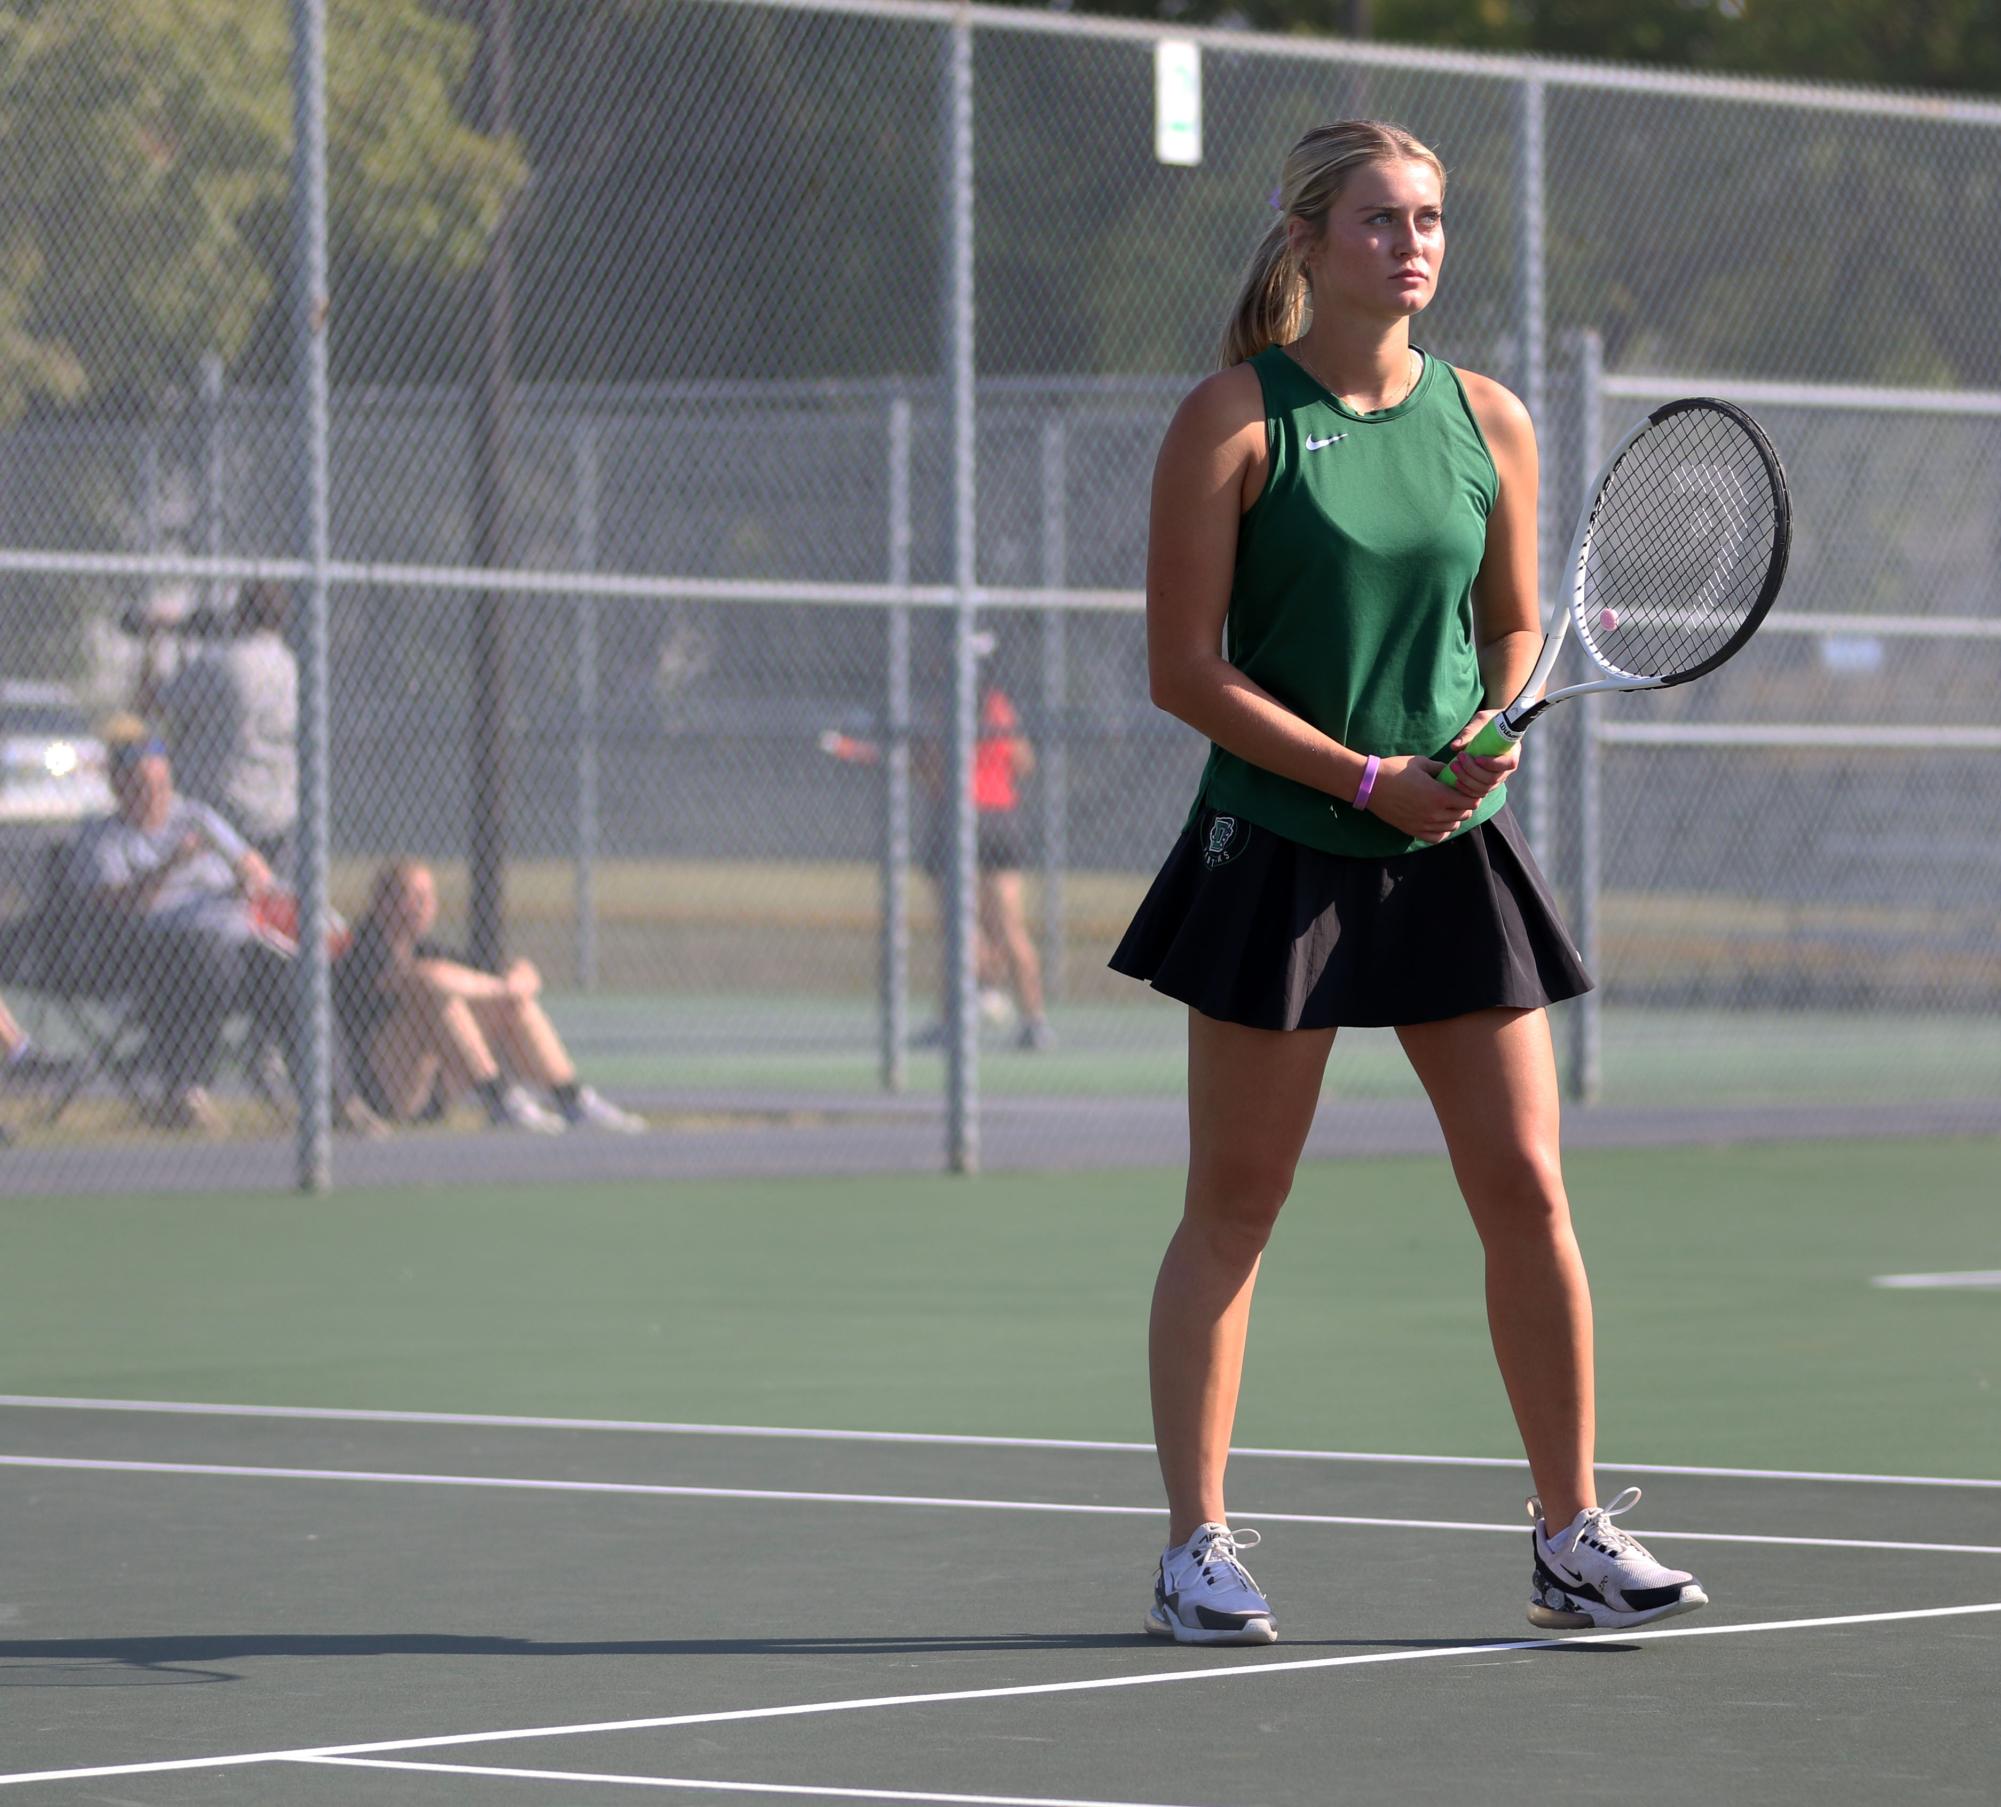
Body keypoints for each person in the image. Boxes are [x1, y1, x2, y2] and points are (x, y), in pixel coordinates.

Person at [1109, 121, 1706, 1645]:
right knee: (1237, 1200)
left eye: (1430, 219)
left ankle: (1569, 1530)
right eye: (1380, 220)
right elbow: (1185, 670)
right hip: (1281, 852)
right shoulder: (1234, 421)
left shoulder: (1486, 418)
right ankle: (1197, 1545)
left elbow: (1515, 625)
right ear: (1304, 241)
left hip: (1448, 846)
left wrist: (1482, 734)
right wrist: (1364, 776)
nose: (1413, 245)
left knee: (1525, 1182)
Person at [69, 724, 342, 1134]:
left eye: (162, 784)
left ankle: (334, 1100)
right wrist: (172, 864)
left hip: (234, 938)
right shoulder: (104, 835)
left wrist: (246, 879)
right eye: (143, 786)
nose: (157, 796)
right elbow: (116, 907)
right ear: (119, 787)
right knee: (209, 959)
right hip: (157, 949)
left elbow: (256, 869)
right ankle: (187, 1094)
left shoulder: (195, 816)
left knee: (291, 973)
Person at [332, 859, 645, 1135]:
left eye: (428, 897)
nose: (422, 906)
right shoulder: (362, 947)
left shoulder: (425, 946)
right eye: (411, 897)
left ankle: (572, 1100)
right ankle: (500, 1100)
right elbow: (431, 978)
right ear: (382, 903)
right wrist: (499, 987)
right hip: (385, 1090)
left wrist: (510, 986)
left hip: (434, 1087)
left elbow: (522, 973)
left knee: (512, 1003)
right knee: (438, 997)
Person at [140, 580, 299, 874]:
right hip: (277, 811)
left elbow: (152, 702)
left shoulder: (223, 663)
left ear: (240, 613)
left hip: (222, 812)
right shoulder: (289, 664)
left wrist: (155, 638)